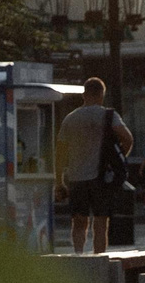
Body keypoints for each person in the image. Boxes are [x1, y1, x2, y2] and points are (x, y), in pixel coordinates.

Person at [54, 78, 132, 256]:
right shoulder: (109, 116)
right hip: (101, 177)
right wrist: (118, 160)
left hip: (75, 178)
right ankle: (98, 260)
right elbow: (128, 138)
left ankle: (79, 255)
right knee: (100, 222)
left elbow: (60, 153)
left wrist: (59, 181)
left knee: (79, 221)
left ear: (84, 95)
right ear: (101, 95)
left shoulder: (70, 118)